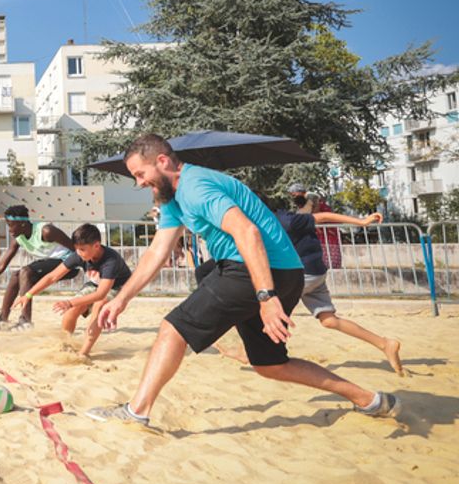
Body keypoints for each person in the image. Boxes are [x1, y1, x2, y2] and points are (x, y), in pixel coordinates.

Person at [86, 134, 399, 427]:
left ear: (163, 162)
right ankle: (370, 400)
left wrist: (266, 297)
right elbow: (157, 251)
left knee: (173, 328)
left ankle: (136, 412)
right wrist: (121, 298)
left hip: (257, 270)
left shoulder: (195, 186)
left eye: (141, 174)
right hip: (275, 271)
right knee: (270, 365)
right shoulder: (173, 199)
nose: (140, 183)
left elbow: (246, 231)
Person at [271, 194, 402, 374]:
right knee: (329, 320)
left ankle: (265, 355)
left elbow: (323, 217)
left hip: (304, 274)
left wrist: (361, 222)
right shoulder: (276, 219)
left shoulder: (286, 221)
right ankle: (385, 344)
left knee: (271, 309)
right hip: (315, 273)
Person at [9, 223, 134, 358]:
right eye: (76, 249)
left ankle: (83, 353)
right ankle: (65, 345)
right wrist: (28, 294)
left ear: (96, 246)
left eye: (82, 249)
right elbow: (52, 276)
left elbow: (101, 294)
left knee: (99, 306)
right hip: (95, 284)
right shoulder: (78, 255)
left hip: (119, 287)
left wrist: (70, 302)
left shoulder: (111, 260)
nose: (78, 253)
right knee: (72, 310)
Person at [0, 205, 77, 331]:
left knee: (26, 271)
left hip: (70, 264)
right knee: (16, 275)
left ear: (22, 223)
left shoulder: (46, 231)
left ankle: (25, 321)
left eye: (11, 225)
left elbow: (76, 249)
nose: (9, 229)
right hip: (51, 263)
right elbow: (1, 265)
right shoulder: (19, 238)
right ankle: (2, 320)